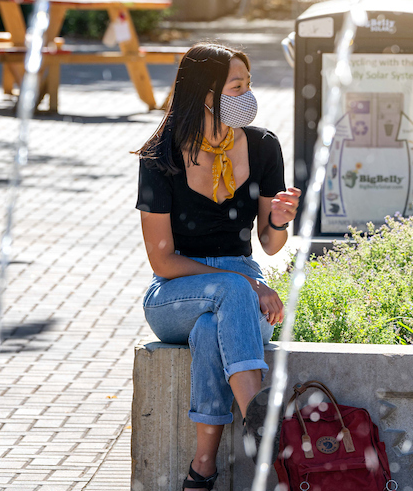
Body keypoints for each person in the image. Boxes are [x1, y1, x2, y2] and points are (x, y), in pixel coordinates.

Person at [134, 42, 301, 490]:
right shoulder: (161, 156)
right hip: (175, 292)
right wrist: (243, 284)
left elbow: (269, 244)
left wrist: (279, 221)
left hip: (244, 287)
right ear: (208, 95)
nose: (247, 93)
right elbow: (163, 260)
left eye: (248, 84)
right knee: (225, 295)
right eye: (237, 85)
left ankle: (201, 471)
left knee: (211, 331)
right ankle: (263, 422)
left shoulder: (264, 146)